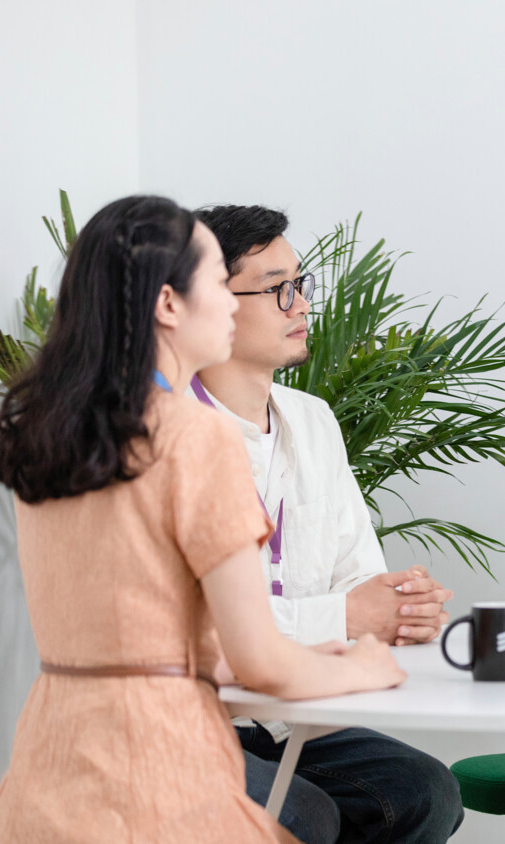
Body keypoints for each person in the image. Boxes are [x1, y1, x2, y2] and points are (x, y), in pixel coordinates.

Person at [0, 195, 405, 843]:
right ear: (169, 303)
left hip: (53, 768)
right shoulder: (194, 435)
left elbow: (138, 630)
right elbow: (261, 663)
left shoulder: (50, 431)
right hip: (160, 776)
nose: (233, 305)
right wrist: (363, 669)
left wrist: (297, 651)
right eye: (217, 283)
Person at [193, 205, 465, 844]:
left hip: (297, 714)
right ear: (210, 303)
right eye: (277, 288)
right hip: (201, 714)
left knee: (423, 792)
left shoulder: (312, 420)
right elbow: (197, 630)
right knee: (301, 815)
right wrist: (345, 617)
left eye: (302, 283)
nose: (301, 305)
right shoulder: (167, 434)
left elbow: (361, 577)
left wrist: (399, 608)